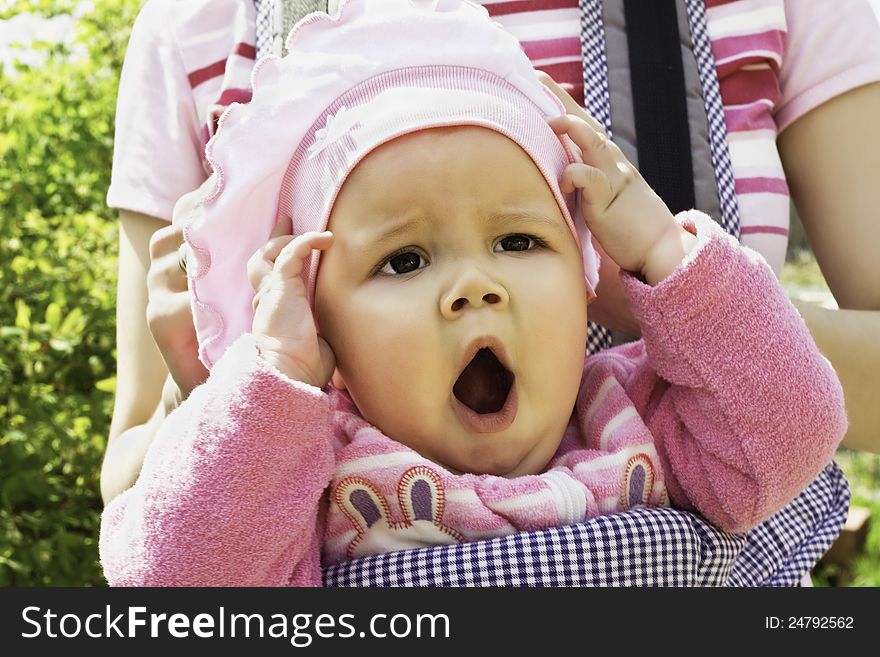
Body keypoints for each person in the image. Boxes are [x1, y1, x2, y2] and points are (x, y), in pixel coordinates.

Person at [98, 0, 846, 586]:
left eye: (519, 242)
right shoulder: (299, 472)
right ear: (327, 328)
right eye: (404, 259)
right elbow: (182, 581)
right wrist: (269, 382)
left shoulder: (641, 419)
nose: (474, 286)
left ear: (590, 285)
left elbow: (794, 428)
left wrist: (663, 259)